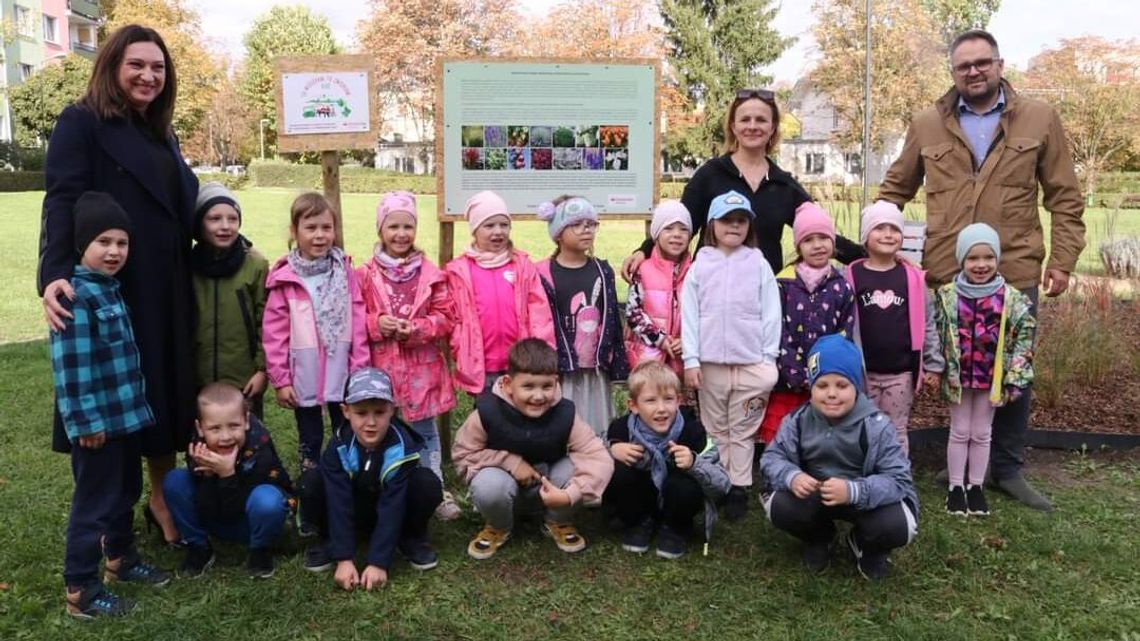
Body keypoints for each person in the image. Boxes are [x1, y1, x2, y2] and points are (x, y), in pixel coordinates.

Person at [878, 29, 1086, 511]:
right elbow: (895, 189)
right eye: (963, 65)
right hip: (947, 277)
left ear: (999, 64)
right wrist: (879, 245)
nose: (974, 72)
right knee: (948, 368)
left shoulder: (1038, 119)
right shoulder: (928, 123)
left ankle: (1006, 469)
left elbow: (1064, 196)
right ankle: (954, 467)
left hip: (1012, 273)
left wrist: (1062, 259)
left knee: (1013, 371)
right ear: (952, 71)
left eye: (982, 63)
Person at [38, 24, 200, 547]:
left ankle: (161, 497)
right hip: (114, 283)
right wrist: (55, 273)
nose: (148, 76)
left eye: (158, 68)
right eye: (137, 65)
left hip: (167, 281)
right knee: (120, 398)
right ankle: (111, 520)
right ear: (112, 66)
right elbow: (61, 198)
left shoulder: (162, 130)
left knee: (163, 389)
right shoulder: (81, 121)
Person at [51, 191, 169, 619]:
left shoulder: (111, 290)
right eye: (104, 242)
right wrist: (85, 422)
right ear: (82, 245)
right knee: (94, 503)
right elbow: (72, 369)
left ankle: (120, 558)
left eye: (121, 243)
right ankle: (80, 588)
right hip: (96, 426)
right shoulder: (74, 296)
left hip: (124, 419)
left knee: (126, 490)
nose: (115, 251)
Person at [621, 88, 862, 282]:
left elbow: (820, 232)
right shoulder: (711, 174)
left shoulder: (783, 183)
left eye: (761, 120)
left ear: (773, 128)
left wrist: (872, 257)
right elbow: (680, 224)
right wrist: (644, 250)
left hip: (763, 292)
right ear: (733, 127)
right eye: (745, 119)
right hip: (711, 288)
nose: (752, 126)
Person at [761, 335, 919, 580]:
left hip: (863, 499)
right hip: (816, 496)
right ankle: (820, 538)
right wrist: (792, 476)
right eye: (822, 386)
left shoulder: (877, 426)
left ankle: (865, 544)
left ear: (856, 387)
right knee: (779, 505)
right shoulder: (797, 421)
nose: (831, 394)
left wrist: (854, 491)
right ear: (811, 387)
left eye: (842, 385)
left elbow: (898, 481)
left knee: (898, 525)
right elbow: (772, 458)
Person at [452, 339, 613, 560]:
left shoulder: (565, 412)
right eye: (528, 386)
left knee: (575, 465)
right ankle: (499, 525)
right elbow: (463, 454)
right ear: (508, 384)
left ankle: (558, 520)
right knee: (488, 483)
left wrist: (570, 495)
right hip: (504, 488)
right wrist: (510, 462)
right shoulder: (486, 411)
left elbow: (598, 457)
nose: (538, 396)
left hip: (552, 487)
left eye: (546, 386)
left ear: (556, 383)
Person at [357, 191, 461, 520]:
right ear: (380, 230)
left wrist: (417, 329)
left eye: (408, 226)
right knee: (384, 428)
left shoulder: (431, 274)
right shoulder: (365, 275)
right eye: (393, 227)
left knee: (426, 431)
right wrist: (377, 324)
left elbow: (446, 317)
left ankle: (435, 487)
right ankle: (388, 486)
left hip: (423, 370)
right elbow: (355, 316)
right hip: (383, 368)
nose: (401, 234)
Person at [681, 190, 781, 521]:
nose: (734, 226)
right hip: (710, 364)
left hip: (751, 361)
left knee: (743, 426)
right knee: (715, 426)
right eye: (726, 220)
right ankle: (719, 481)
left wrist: (768, 358)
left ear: (749, 226)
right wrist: (691, 360)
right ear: (712, 224)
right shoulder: (701, 265)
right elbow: (691, 315)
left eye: (740, 221)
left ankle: (740, 485)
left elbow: (770, 312)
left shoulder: (758, 263)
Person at [298, 368, 443, 589]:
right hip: (354, 505)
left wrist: (378, 562)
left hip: (389, 504)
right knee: (311, 481)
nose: (371, 422)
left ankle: (409, 537)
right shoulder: (339, 446)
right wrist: (344, 558)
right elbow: (338, 500)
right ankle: (330, 542)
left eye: (379, 412)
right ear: (345, 411)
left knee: (427, 483)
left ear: (392, 410)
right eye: (361, 413)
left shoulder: (401, 448)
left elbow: (393, 503)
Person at [932, 224, 1035, 517]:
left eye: (988, 257)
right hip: (959, 377)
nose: (981, 265)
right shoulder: (947, 296)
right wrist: (934, 368)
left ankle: (975, 486)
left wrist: (1014, 380)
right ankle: (955, 486)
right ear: (962, 260)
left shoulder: (1012, 299)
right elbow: (937, 335)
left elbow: (1023, 340)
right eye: (972, 258)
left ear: (997, 258)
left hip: (992, 377)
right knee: (960, 430)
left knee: (981, 433)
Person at [263, 192, 369, 472]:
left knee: (345, 429)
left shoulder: (344, 272)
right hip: (303, 373)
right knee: (310, 434)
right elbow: (274, 335)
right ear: (294, 232)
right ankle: (311, 478)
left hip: (342, 370)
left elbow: (357, 320)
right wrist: (281, 379)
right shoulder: (286, 279)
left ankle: (346, 474)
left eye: (326, 227)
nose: (320, 235)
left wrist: (359, 367)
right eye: (311, 228)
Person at [163, 383, 293, 579]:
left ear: (246, 421)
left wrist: (227, 474)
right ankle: (199, 546)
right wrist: (207, 477)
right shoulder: (199, 448)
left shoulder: (260, 448)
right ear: (200, 428)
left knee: (267, 499)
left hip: (251, 522)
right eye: (214, 428)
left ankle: (260, 549)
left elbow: (237, 510)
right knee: (175, 481)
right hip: (214, 516)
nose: (225, 437)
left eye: (234, 426)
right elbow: (206, 505)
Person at [843, 202, 943, 455]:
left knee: (896, 430)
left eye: (894, 229)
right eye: (880, 228)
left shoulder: (911, 277)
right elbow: (842, 321)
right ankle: (865, 481)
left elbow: (927, 323)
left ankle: (896, 480)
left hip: (901, 373)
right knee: (862, 426)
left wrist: (933, 363)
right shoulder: (852, 274)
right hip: (863, 372)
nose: (888, 234)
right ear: (866, 236)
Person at [604, 361, 727, 559]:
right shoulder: (620, 428)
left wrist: (694, 463)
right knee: (618, 471)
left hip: (676, 498)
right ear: (633, 405)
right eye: (650, 400)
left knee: (684, 485)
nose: (661, 408)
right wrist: (611, 449)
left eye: (668, 399)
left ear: (678, 401)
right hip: (641, 496)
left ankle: (676, 528)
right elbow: (590, 452)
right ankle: (638, 522)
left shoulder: (692, 430)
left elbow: (722, 484)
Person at [535, 195, 629, 437]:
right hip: (561, 368)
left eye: (591, 224)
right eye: (577, 224)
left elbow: (612, 321)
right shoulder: (542, 273)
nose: (586, 230)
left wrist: (617, 362)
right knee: (562, 419)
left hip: (594, 368)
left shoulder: (602, 269)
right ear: (558, 232)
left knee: (595, 422)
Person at [762, 202, 855, 444]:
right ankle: (782, 478)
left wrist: (824, 372)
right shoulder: (783, 283)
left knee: (820, 436)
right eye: (809, 239)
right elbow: (776, 329)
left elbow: (844, 333)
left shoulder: (841, 285)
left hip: (826, 381)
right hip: (788, 379)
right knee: (784, 433)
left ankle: (818, 477)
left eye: (823, 237)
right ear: (798, 246)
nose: (817, 245)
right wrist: (796, 372)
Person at [446, 190, 555, 396]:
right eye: (489, 225)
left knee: (521, 412)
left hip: (520, 361)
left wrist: (542, 350)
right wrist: (460, 345)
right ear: (475, 230)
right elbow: (453, 317)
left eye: (504, 225)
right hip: (481, 362)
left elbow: (539, 311)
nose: (498, 232)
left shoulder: (521, 265)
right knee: (487, 414)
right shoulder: (459, 270)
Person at [190, 182, 269, 418]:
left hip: (244, 379)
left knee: (248, 440)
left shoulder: (255, 265)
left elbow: (266, 321)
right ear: (198, 223)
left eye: (232, 219)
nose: (225, 226)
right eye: (214, 219)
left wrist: (263, 370)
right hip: (198, 378)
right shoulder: (186, 265)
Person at [624, 200, 693, 384]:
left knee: (682, 408)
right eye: (669, 228)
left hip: (683, 361)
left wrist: (686, 340)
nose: (677, 235)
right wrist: (660, 339)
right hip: (648, 359)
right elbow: (633, 312)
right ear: (656, 234)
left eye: (683, 229)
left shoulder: (696, 272)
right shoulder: (643, 269)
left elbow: (704, 313)